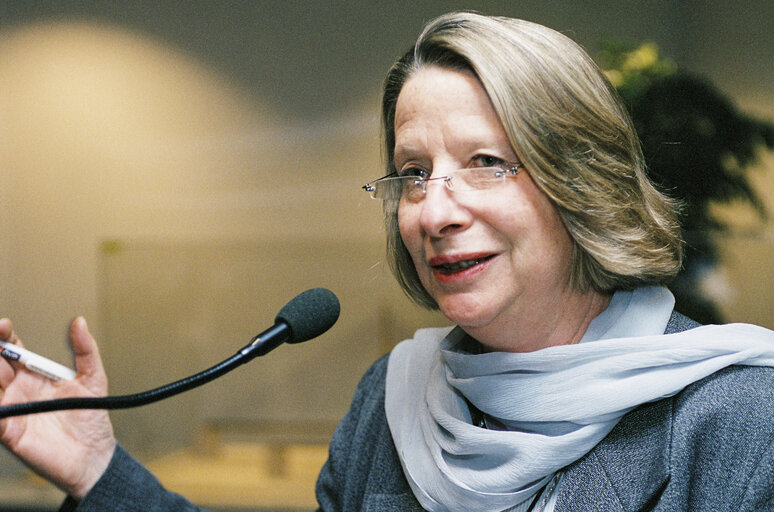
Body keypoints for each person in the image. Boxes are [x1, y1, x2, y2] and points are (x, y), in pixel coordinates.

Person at [2, 11, 774, 512]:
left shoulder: (734, 418)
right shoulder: (395, 398)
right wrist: (100, 467)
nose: (434, 211)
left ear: (582, 183)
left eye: (485, 161)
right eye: (411, 173)